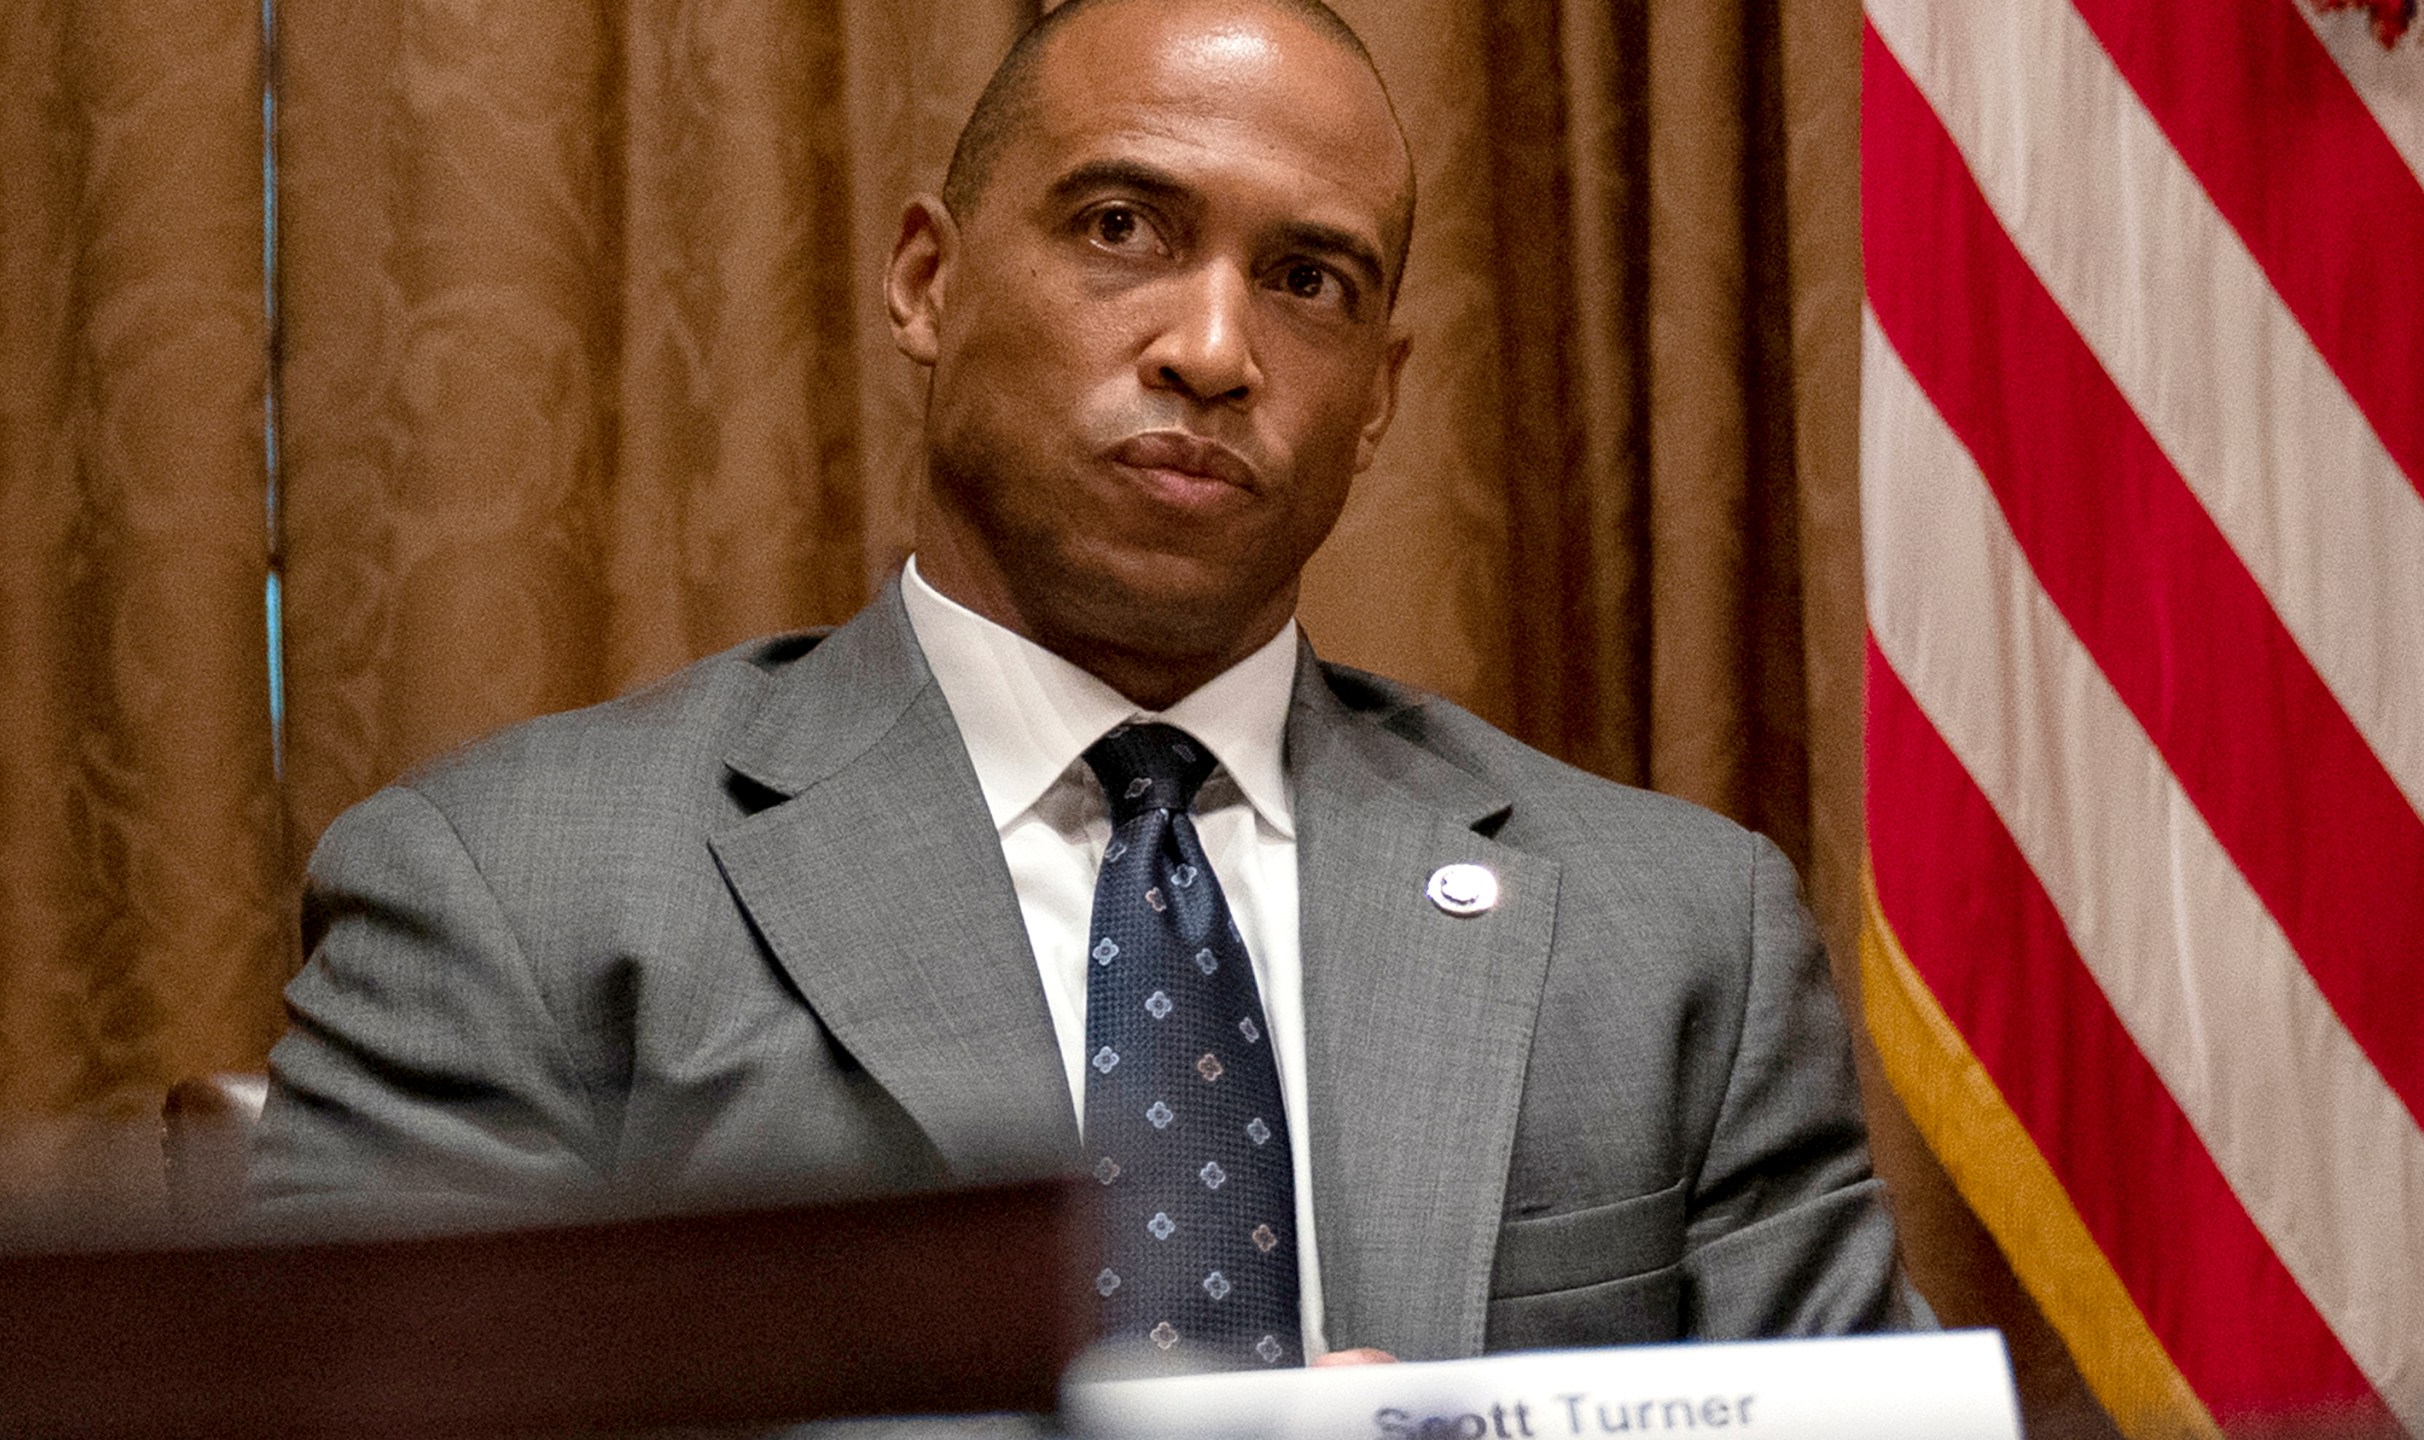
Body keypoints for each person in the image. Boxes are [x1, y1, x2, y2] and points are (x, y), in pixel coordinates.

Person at [250, 0, 1920, 1367]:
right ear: (928, 281)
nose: (1212, 347)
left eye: (1307, 280)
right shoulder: (514, 901)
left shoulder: (1677, 934)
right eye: (1123, 227)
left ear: (1381, 398)